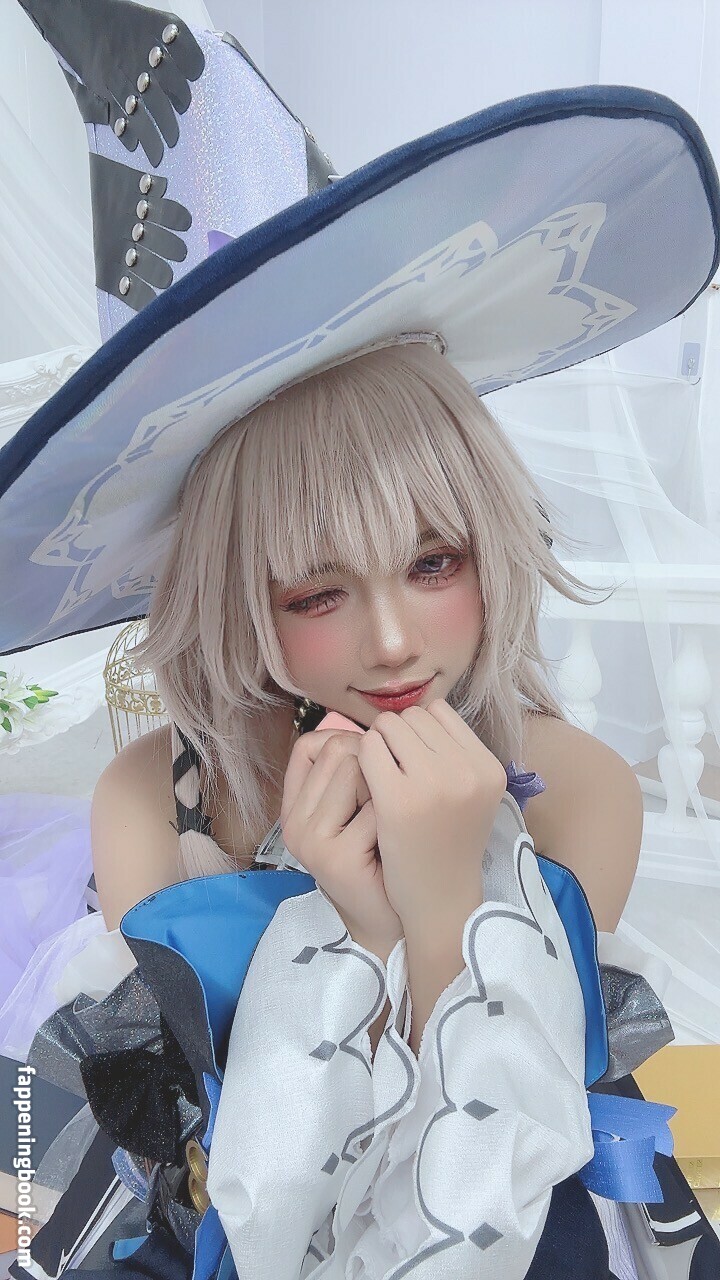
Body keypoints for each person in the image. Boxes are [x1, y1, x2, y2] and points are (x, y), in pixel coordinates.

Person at [1, 2, 720, 1277]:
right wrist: (357, 923)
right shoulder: (155, 795)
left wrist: (441, 914)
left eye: (434, 563)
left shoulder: (576, 785)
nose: (392, 640)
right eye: (315, 592)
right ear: (233, 597)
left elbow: (490, 1188)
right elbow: (245, 1190)